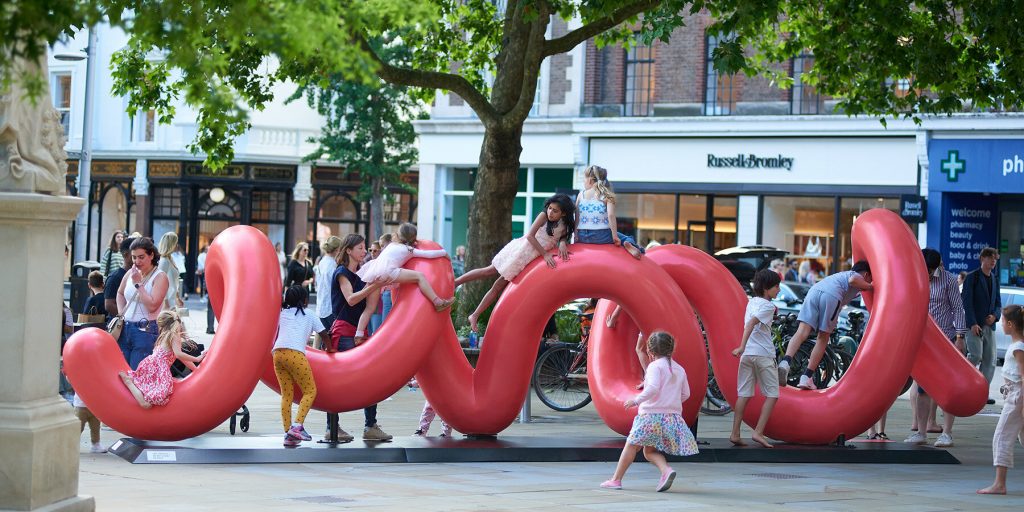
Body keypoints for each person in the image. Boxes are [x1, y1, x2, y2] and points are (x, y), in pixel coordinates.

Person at [454, 194, 576, 333]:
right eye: (549, 208)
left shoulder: (564, 225)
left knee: (498, 286)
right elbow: (530, 236)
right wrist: (545, 254)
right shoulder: (543, 216)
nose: (550, 212)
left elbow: (563, 236)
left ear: (564, 213)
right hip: (522, 251)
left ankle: (474, 315)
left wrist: (562, 243)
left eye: (555, 211)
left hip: (532, 259)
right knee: (489, 271)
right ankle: (457, 282)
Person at [600, 332, 698, 492]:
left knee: (631, 445)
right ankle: (666, 470)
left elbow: (652, 388)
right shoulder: (679, 369)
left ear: (651, 353)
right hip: (671, 418)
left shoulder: (654, 366)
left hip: (650, 417)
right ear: (671, 349)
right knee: (649, 451)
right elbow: (686, 394)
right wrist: (670, 402)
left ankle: (616, 480)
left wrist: (636, 400)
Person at [328, 234, 391, 441]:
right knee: (337, 381)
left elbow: (368, 306)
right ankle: (332, 428)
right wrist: (374, 286)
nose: (364, 252)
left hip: (358, 331)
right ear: (348, 250)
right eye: (361, 248)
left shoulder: (361, 274)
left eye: (365, 248)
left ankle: (370, 425)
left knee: (372, 378)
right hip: (344, 331)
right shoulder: (342, 273)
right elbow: (352, 300)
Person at [904, 248, 967, 447]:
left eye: (931, 270)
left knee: (948, 388)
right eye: (926, 269)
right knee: (922, 389)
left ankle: (947, 433)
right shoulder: (915, 277)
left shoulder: (948, 280)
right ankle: (921, 432)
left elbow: (958, 308)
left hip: (945, 339)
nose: (928, 274)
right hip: (922, 341)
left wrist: (960, 336)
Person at [778, 261, 873, 390]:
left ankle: (785, 363)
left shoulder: (839, 276)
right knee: (823, 338)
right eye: (869, 278)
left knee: (801, 332)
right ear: (866, 274)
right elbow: (853, 280)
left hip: (814, 291)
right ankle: (807, 377)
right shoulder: (855, 275)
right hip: (831, 295)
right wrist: (871, 286)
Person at [356, 223, 452, 342]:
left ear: (398, 235)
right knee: (419, 276)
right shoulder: (409, 250)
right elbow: (428, 254)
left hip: (375, 271)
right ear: (413, 238)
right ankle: (437, 301)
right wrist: (444, 253)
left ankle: (358, 334)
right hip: (388, 272)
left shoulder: (391, 245)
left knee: (370, 308)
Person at [730, 269, 781, 448]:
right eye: (776, 286)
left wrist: (744, 349)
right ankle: (758, 432)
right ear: (767, 288)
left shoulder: (751, 302)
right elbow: (752, 323)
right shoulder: (768, 306)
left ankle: (735, 433)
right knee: (773, 394)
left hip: (748, 355)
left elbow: (752, 321)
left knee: (744, 394)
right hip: (763, 354)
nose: (779, 290)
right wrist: (741, 346)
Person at [977, 304, 1024, 495]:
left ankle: (999, 483)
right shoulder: (1017, 345)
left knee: (1002, 436)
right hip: (1014, 395)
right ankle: (999, 483)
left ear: (1011, 324)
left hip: (1017, 396)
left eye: (1003, 321)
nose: (1001, 324)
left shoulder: (1018, 347)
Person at [274, 286, 329, 447]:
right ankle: (297, 425)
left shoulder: (282, 313)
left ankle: (288, 434)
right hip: (296, 354)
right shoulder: (309, 314)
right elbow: (324, 333)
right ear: (305, 300)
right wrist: (330, 348)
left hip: (278, 354)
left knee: (286, 395)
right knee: (310, 391)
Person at [118, 310, 204, 408]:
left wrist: (196, 370)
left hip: (152, 366)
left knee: (147, 391)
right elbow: (179, 355)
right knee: (148, 403)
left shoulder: (166, 335)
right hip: (157, 368)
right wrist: (197, 359)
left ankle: (132, 382)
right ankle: (129, 382)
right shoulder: (173, 336)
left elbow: (181, 357)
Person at [116, 237, 169, 369]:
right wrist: (121, 314)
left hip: (145, 329)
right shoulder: (130, 273)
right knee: (122, 372)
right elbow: (120, 293)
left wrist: (138, 285)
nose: (137, 261)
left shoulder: (160, 277)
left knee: (137, 373)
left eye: (141, 257)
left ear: (151, 255)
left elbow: (152, 306)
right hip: (124, 328)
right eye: (134, 257)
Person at [575, 165, 643, 259]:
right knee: (626, 238)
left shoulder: (580, 195)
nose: (583, 182)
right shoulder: (607, 195)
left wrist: (575, 234)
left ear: (590, 180)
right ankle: (630, 244)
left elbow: (577, 216)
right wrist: (615, 237)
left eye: (584, 179)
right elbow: (611, 216)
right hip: (601, 236)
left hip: (582, 235)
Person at [963, 247, 1001, 404]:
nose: (993, 261)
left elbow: (998, 303)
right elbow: (967, 301)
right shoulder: (972, 277)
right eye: (991, 258)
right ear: (982, 259)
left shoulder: (994, 278)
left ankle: (982, 392)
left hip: (989, 326)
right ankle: (963, 382)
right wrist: (972, 323)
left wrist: (995, 316)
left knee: (990, 360)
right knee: (975, 355)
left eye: (995, 259)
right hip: (974, 324)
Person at [314, 236, 342, 338]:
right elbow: (333, 286)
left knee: (324, 338)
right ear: (337, 249)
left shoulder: (322, 262)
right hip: (330, 306)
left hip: (322, 304)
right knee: (333, 338)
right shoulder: (331, 265)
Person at [104, 236, 135, 316]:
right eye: (134, 254)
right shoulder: (115, 277)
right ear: (126, 255)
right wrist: (125, 316)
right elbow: (109, 305)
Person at [157, 232, 184, 312]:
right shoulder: (164, 261)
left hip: (172, 301)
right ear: (171, 244)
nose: (177, 245)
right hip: (167, 303)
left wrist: (177, 298)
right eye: (175, 242)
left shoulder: (170, 258)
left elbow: (173, 282)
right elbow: (160, 283)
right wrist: (165, 302)